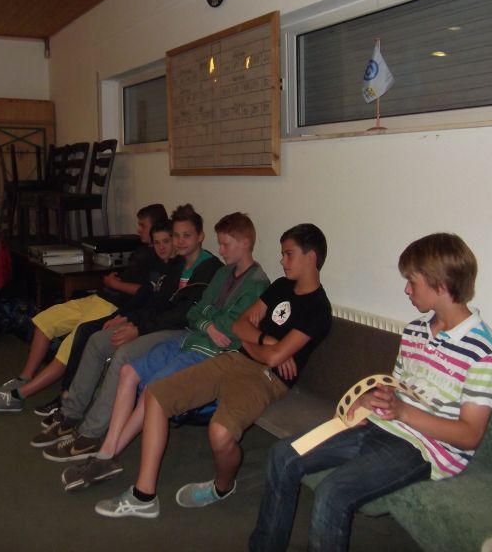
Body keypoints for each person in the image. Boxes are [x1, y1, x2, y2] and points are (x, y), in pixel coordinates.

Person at [248, 233, 492, 552]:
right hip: (381, 426)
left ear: (440, 285)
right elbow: (396, 387)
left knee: (333, 492)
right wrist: (370, 400)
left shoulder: (483, 351)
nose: (406, 290)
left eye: (412, 282)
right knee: (283, 456)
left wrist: (403, 412)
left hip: (424, 448)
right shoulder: (415, 331)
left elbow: (469, 435)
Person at [94, 223, 332, 519]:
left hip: (267, 379)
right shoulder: (281, 287)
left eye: (288, 254)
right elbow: (239, 326)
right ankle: (144, 495)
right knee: (155, 394)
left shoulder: (317, 308)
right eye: (282, 254)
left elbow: (273, 360)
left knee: (219, 434)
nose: (282, 260)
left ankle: (222, 486)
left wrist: (261, 344)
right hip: (234, 358)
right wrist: (267, 341)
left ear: (311, 257)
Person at [62, 212, 270, 492]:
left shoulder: (258, 284)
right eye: (219, 244)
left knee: (153, 389)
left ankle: (107, 456)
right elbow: (196, 311)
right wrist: (208, 323)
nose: (220, 250)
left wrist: (208, 320)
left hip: (209, 353)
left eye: (226, 244)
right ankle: (107, 451)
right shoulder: (223, 273)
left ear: (245, 243)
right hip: (190, 338)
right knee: (128, 371)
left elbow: (232, 328)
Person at [33, 203, 223, 462]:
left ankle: (90, 433)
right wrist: (129, 319)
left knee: (124, 354)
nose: (179, 241)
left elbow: (184, 314)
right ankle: (70, 413)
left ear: (200, 236)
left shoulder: (210, 269)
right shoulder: (176, 265)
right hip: (157, 324)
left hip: (182, 331)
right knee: (98, 340)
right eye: (176, 235)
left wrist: (139, 328)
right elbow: (155, 303)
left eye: (186, 235)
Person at [0, 204, 169, 413]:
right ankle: (24, 378)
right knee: (45, 320)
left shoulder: (159, 258)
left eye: (142, 226)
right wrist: (113, 282)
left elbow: (145, 291)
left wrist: (116, 284)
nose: (138, 229)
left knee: (69, 346)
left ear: (156, 226)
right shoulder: (142, 249)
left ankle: (18, 396)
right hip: (98, 297)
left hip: (112, 305)